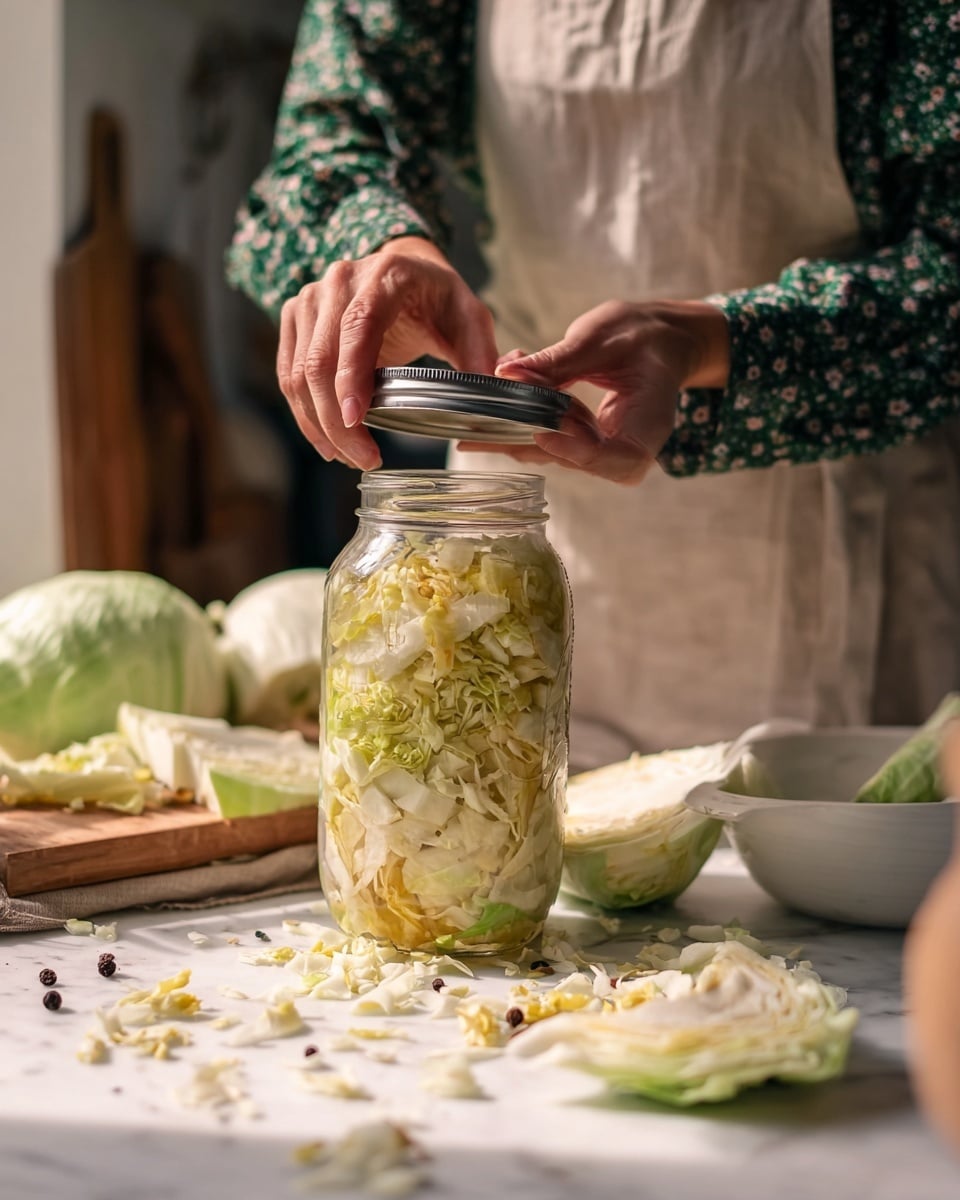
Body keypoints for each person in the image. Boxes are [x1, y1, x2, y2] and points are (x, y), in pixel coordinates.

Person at [227, 1, 960, 769]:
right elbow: (328, 137)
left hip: (840, 560)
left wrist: (711, 343)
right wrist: (381, 247)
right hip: (512, 535)